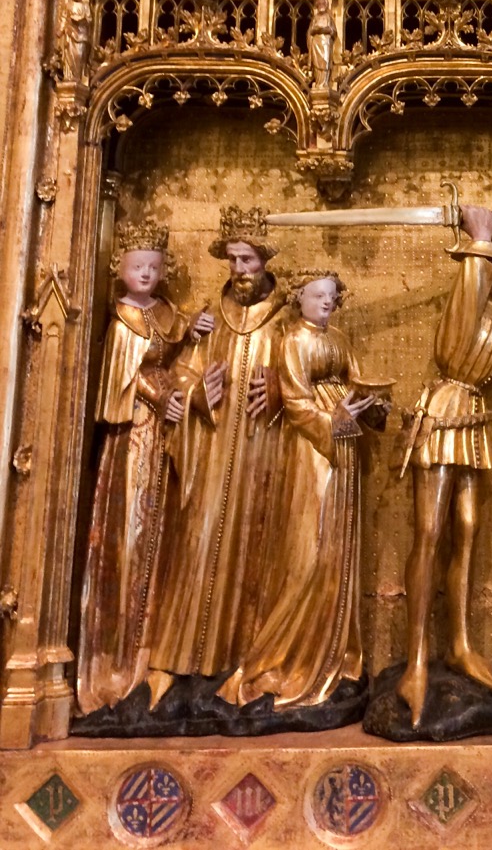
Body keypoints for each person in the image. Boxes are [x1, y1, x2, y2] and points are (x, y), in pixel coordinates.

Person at [398, 205, 492, 726]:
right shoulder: (471, 306)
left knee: (466, 530)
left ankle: (460, 644)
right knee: (429, 530)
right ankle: (416, 658)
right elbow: (457, 325)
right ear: (489, 269)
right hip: (443, 412)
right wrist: (482, 239)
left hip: (475, 420)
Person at [220, 270, 389, 708]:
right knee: (310, 548)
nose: (326, 302)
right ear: (301, 299)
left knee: (337, 547)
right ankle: (285, 655)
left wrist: (373, 406)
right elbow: (296, 402)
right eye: (317, 295)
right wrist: (332, 420)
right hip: (313, 450)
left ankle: (332, 651)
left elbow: (357, 381)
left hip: (345, 443)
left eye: (332, 295)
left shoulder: (340, 339)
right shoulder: (292, 340)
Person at [146, 207, 286, 704]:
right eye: (232, 260)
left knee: (256, 551)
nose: (239, 270)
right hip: (210, 452)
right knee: (197, 543)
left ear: (266, 261)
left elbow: (304, 373)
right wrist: (198, 391)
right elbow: (185, 373)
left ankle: (243, 662)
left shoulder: (286, 319)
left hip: (263, 454)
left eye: (247, 260)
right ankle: (181, 663)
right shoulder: (210, 317)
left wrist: (277, 387)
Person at [77, 222, 213, 714]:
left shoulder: (161, 312)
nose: (147, 275)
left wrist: (193, 330)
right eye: (138, 268)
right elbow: (124, 379)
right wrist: (162, 397)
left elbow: (174, 341)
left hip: (165, 440)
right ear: (121, 270)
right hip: (134, 438)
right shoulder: (120, 322)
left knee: (164, 536)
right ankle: (116, 662)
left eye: (154, 268)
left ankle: (154, 651)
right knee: (130, 535)